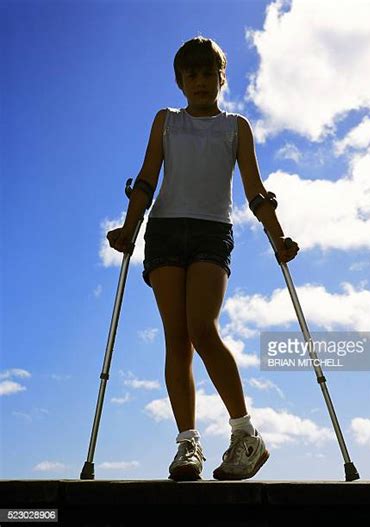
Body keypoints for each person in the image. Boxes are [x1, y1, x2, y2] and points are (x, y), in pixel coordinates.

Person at [107, 36, 299, 481]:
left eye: (207, 72)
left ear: (221, 77)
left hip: (213, 231)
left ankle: (245, 433)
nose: (199, 81)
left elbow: (255, 189)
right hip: (166, 230)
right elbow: (147, 178)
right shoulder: (166, 121)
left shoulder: (236, 127)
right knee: (177, 336)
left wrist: (279, 237)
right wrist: (129, 226)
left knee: (201, 328)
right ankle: (187, 444)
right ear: (179, 80)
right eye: (190, 74)